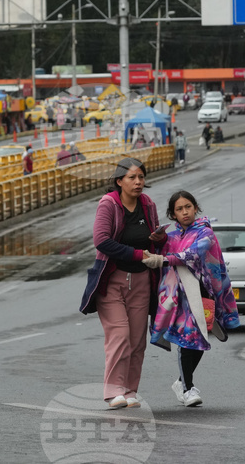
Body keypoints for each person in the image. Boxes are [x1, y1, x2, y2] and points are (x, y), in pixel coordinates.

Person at [79, 158, 167, 409]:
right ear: (119, 181)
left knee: (138, 339)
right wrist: (138, 254)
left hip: (142, 281)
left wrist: (159, 239)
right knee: (120, 335)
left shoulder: (148, 204)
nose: (139, 182)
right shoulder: (109, 205)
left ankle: (129, 391)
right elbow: (102, 241)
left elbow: (154, 241)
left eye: (141, 177)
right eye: (132, 178)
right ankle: (113, 392)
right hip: (112, 280)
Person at [143, 191, 239, 408]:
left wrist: (162, 258)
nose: (184, 212)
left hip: (201, 292)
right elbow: (165, 251)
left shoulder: (205, 232)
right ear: (172, 214)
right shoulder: (173, 235)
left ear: (196, 208)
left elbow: (193, 254)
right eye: (179, 209)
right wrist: (160, 242)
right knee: (188, 338)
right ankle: (187, 387)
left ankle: (182, 383)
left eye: (188, 207)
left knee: (198, 339)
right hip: (178, 296)